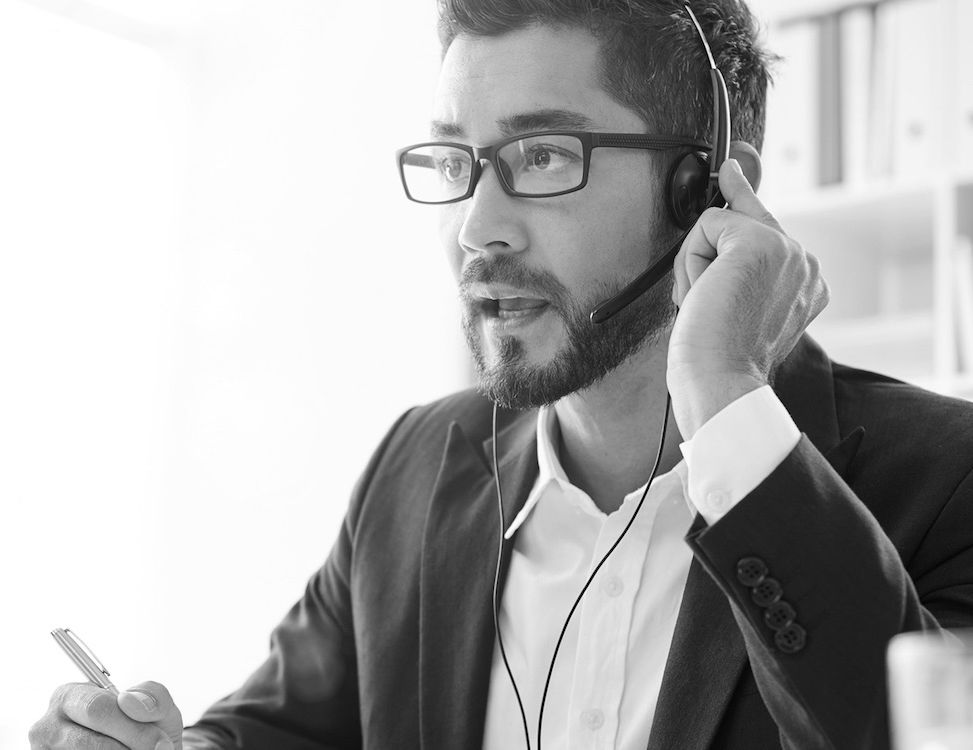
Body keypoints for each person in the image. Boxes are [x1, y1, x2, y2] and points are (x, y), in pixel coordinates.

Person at [30, 0, 973, 748]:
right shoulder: (417, 463)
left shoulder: (945, 477)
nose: (477, 228)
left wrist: (726, 390)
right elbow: (279, 731)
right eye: (458, 159)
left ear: (709, 190)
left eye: (543, 155)